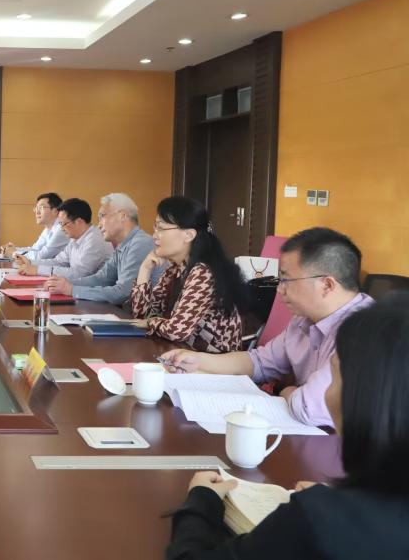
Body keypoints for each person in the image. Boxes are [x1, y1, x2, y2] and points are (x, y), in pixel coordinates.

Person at [165, 296, 409, 559]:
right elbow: (260, 361)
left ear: (366, 394)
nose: (281, 291)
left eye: (334, 375)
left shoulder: (316, 520)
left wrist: (202, 500)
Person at [159, 227, 373, 428]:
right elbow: (259, 362)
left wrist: (285, 390)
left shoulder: (364, 332)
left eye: (286, 280)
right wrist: (197, 360)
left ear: (327, 285)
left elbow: (309, 408)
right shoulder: (303, 320)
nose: (279, 289)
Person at [130, 196, 248, 352]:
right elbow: (142, 316)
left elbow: (176, 331)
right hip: (184, 354)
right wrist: (145, 269)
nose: (155, 235)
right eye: (155, 227)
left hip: (213, 362)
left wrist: (151, 322)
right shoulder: (175, 269)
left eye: (161, 228)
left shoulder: (203, 272)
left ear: (189, 235)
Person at [44, 192, 154, 306]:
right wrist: (65, 283)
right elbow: (102, 278)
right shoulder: (123, 245)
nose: (99, 225)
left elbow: (123, 293)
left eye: (102, 216)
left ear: (123, 216)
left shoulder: (140, 244)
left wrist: (71, 289)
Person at [14, 198, 112, 281]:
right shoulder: (75, 238)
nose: (61, 228)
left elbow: (80, 274)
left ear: (78, 222)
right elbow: (59, 261)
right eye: (60, 224)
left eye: (63, 224)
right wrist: (30, 262)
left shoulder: (94, 239)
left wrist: (38, 270)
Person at [0, 192, 68, 260]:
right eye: (36, 208)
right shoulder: (48, 228)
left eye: (41, 207)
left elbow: (41, 256)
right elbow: (35, 249)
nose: (36, 212)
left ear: (55, 211)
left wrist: (13, 253)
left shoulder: (62, 228)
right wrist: (14, 249)